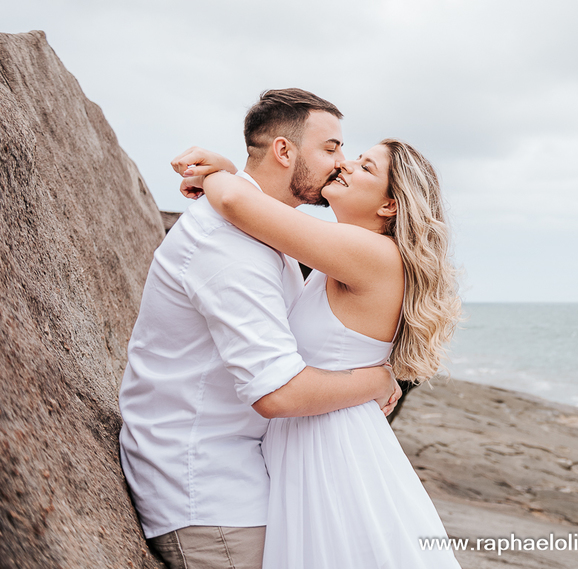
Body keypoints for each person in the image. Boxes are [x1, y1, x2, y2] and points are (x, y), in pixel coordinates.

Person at [119, 89, 402, 569]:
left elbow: (241, 199)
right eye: (331, 147)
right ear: (284, 151)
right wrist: (378, 379)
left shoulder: (268, 234)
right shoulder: (231, 247)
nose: (341, 163)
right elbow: (277, 392)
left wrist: (226, 175)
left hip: (246, 476)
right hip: (208, 492)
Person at [173, 136, 463, 569]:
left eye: (366, 167)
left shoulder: (371, 253)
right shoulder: (347, 254)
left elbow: (235, 202)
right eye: (354, 158)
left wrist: (216, 172)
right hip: (318, 436)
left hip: (332, 450)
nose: (346, 165)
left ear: (389, 206)